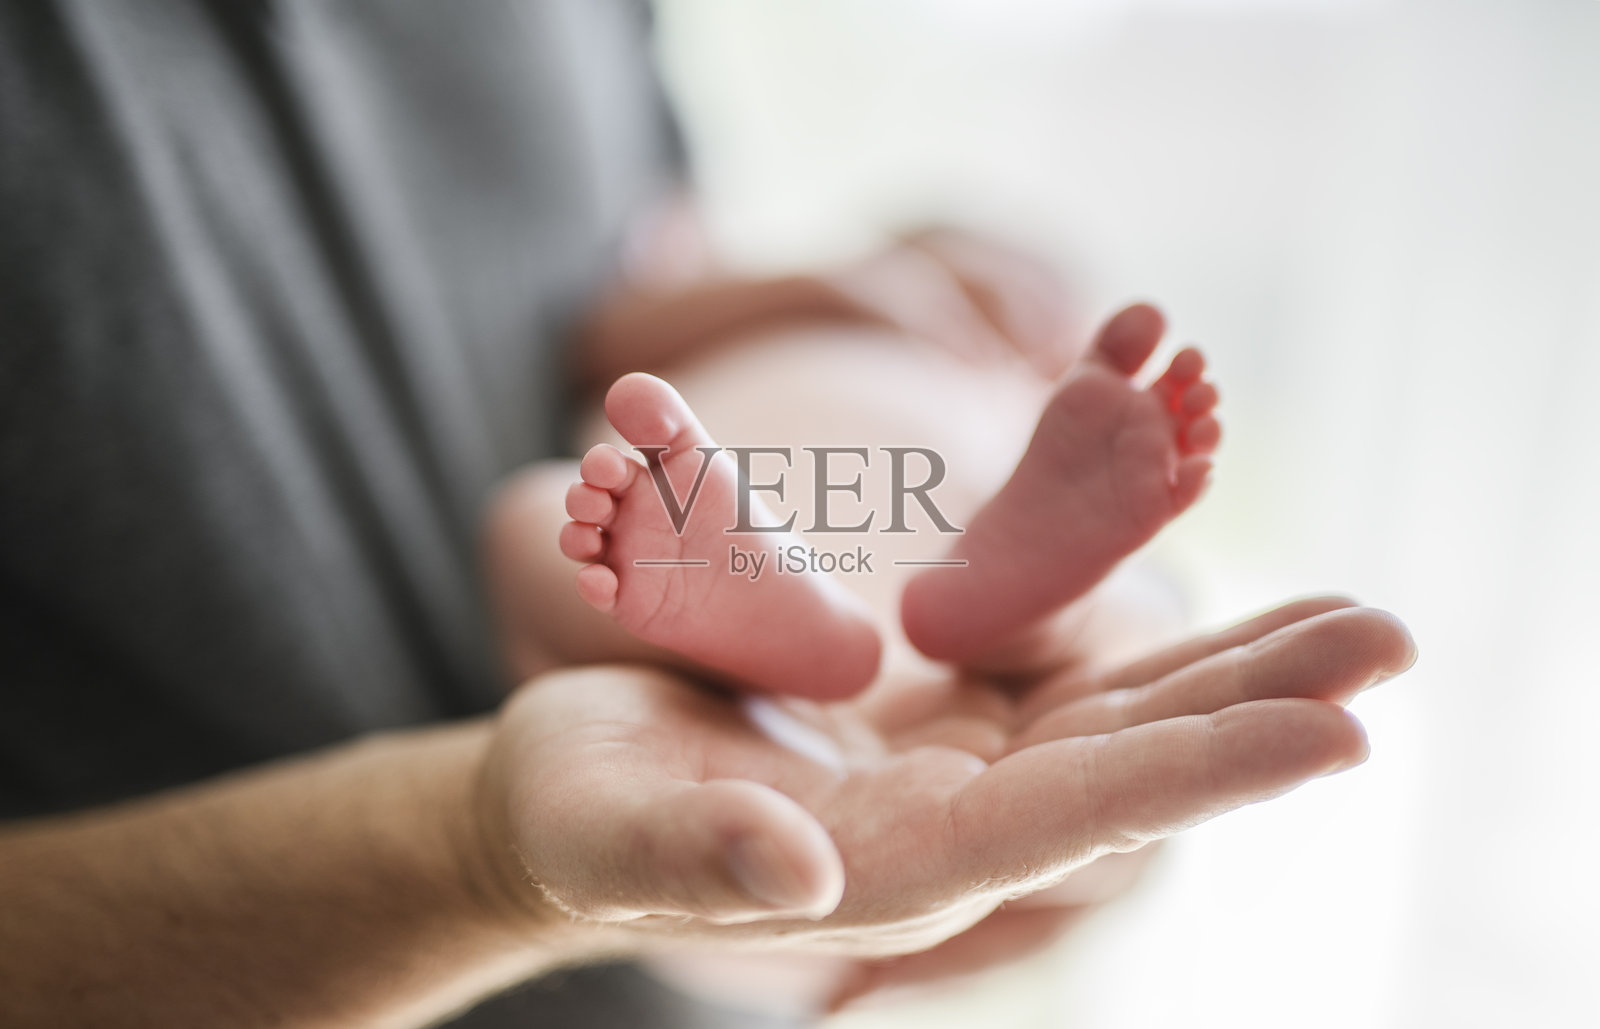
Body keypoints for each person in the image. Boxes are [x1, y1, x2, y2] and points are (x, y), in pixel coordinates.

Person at [0, 2, 1417, 1026]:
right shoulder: (829, 318)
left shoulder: (914, 360)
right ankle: (937, 594)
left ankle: (936, 599)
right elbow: (614, 319)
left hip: (823, 717)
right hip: (776, 677)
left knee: (544, 525)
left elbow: (606, 309)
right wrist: (798, 293)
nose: (965, 291)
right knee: (617, 531)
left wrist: (777, 300)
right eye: (954, 261)